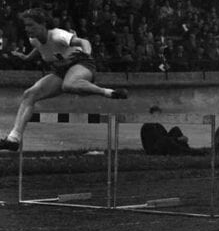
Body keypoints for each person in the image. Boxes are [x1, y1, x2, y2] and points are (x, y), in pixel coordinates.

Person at [0, 9, 129, 152]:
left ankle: (109, 92)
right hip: (61, 70)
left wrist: (87, 55)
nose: (27, 29)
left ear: (42, 24)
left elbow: (84, 41)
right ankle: (14, 138)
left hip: (81, 63)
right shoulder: (34, 40)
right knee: (29, 94)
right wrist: (26, 57)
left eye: (31, 25)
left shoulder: (57, 35)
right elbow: (41, 48)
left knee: (69, 85)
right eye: (26, 26)